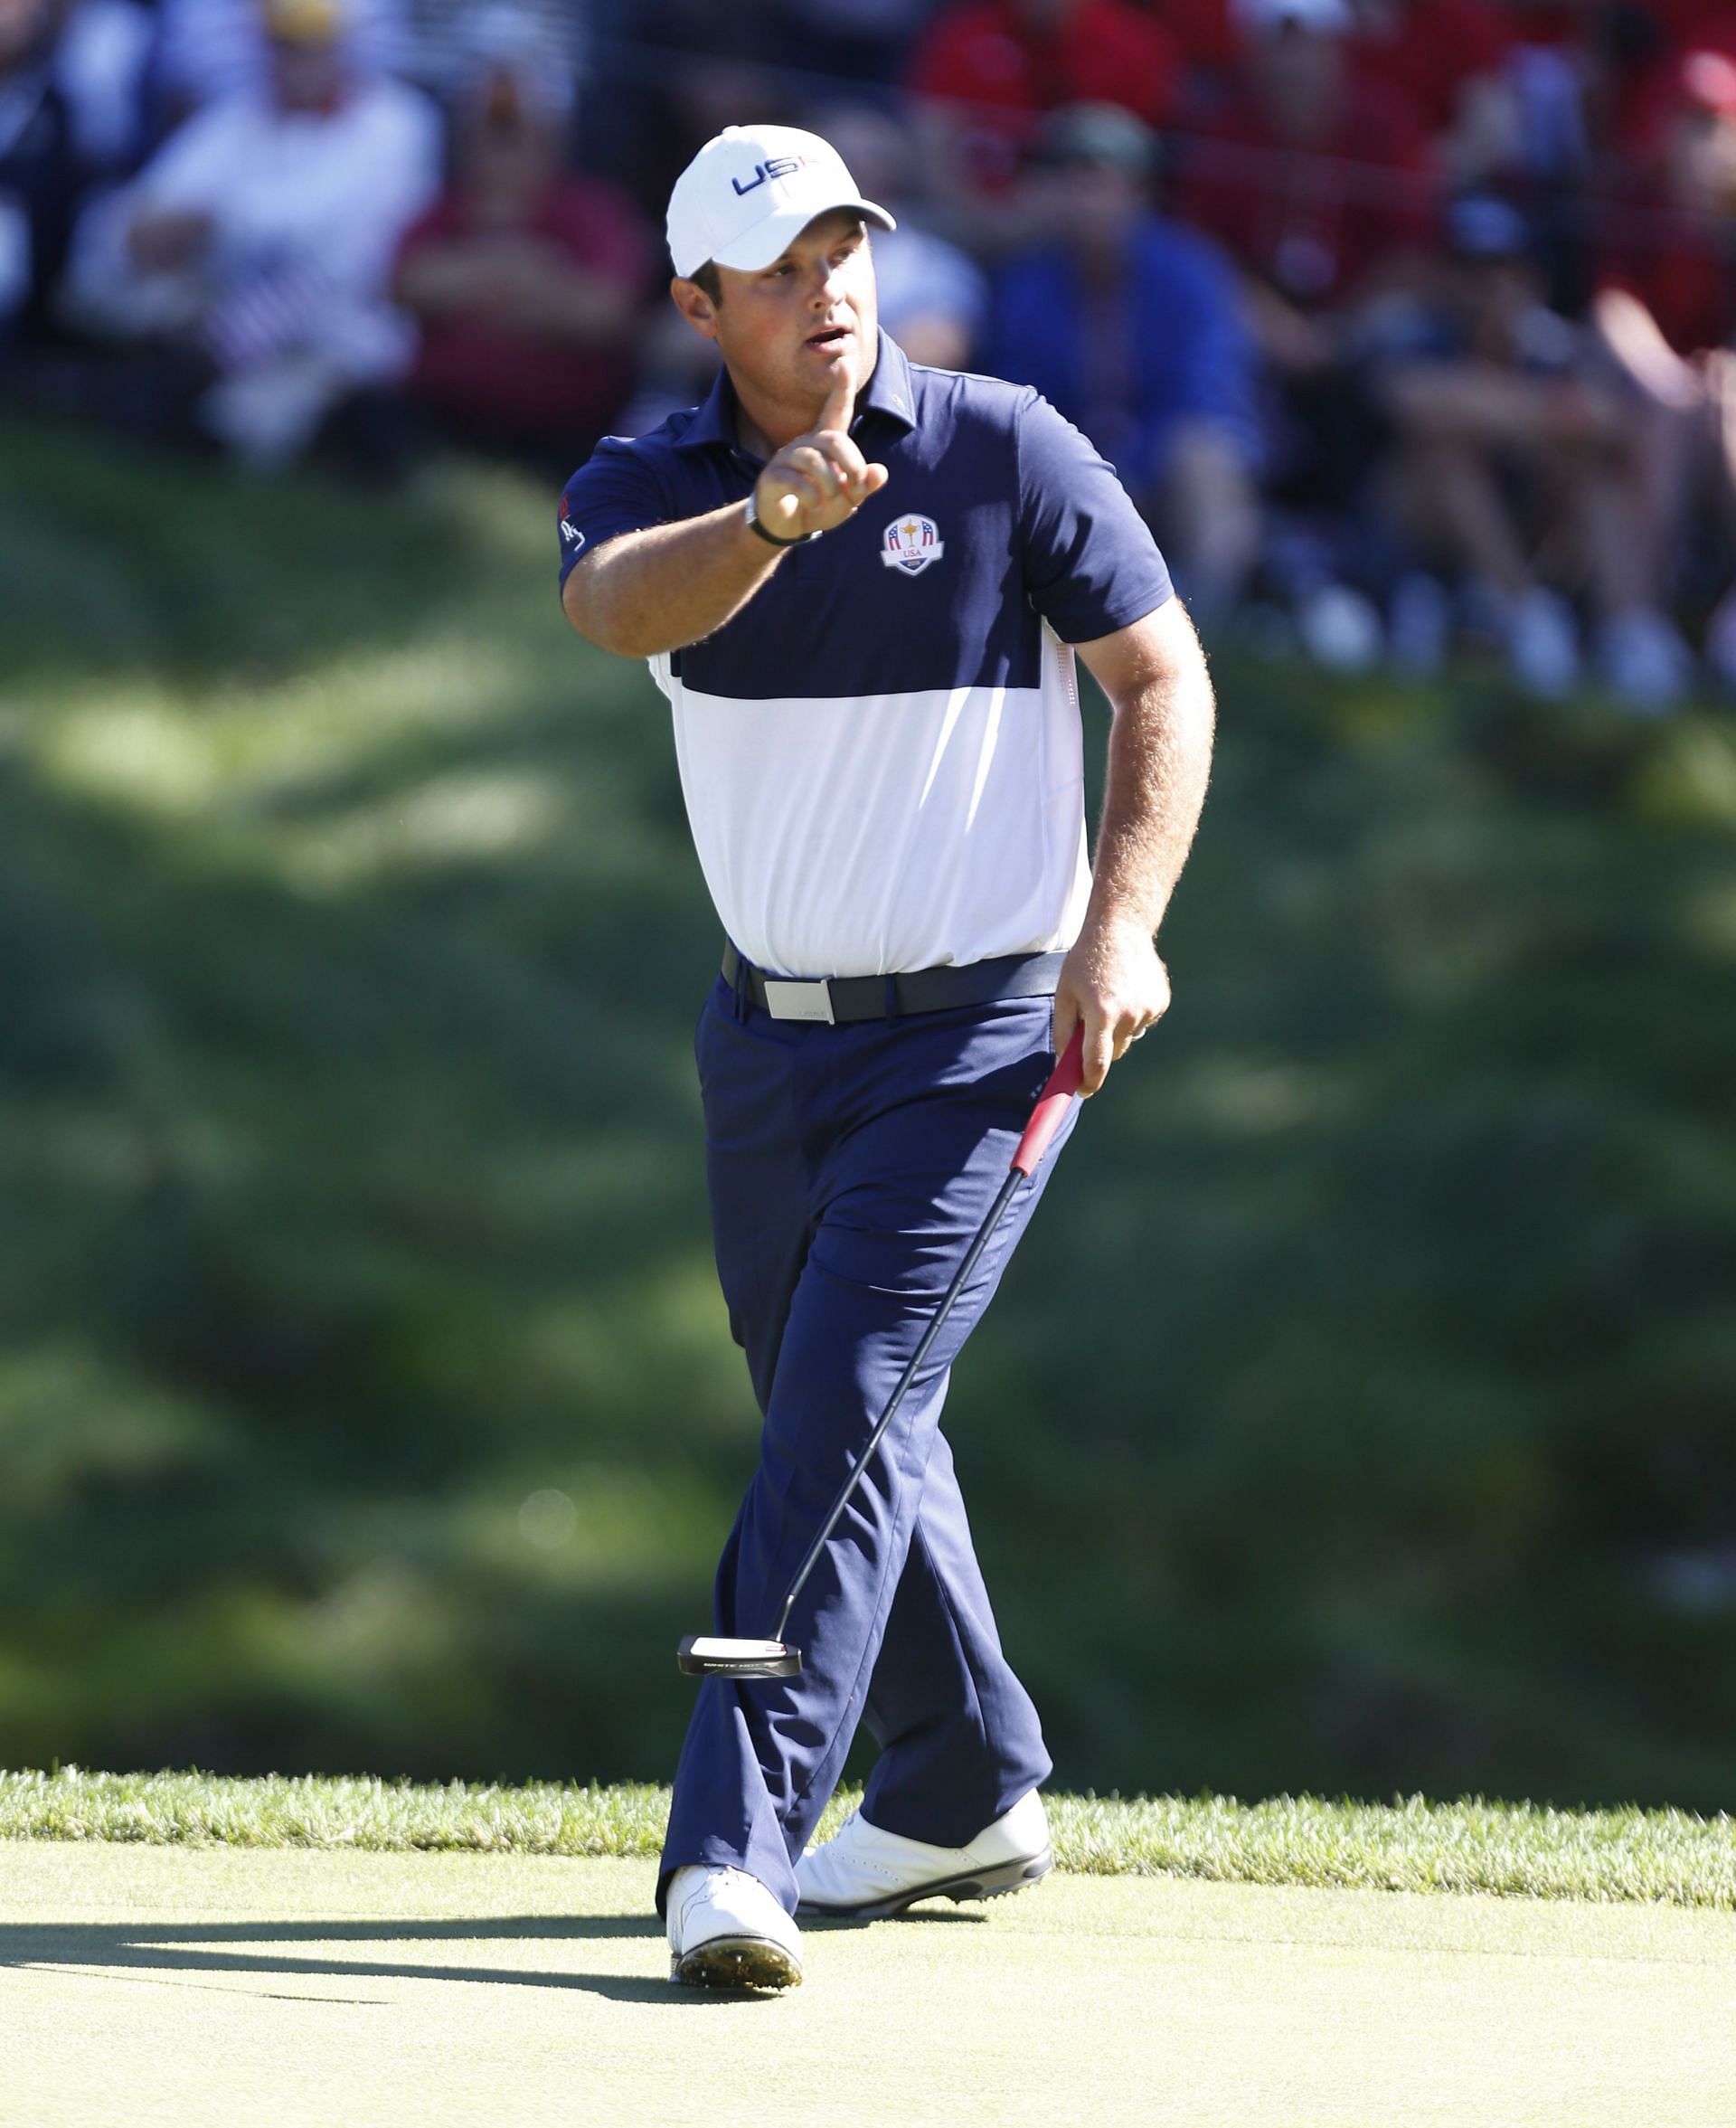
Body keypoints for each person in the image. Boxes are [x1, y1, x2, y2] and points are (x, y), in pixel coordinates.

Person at [558, 121, 1213, 1991]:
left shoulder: (1003, 444)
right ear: (701, 305)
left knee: (836, 1416)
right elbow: (614, 612)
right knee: (836, 1420)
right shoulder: (648, 482)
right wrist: (774, 518)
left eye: (845, 247)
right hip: (767, 1046)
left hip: (990, 1036)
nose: (827, 286)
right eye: (777, 268)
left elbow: (1161, 674)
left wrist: (1124, 924)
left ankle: (731, 1847)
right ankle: (961, 1780)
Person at [63, 0, 439, 467]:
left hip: (326, 335)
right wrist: (146, 230)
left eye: (308, 45)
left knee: (245, 423)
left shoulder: (395, 126)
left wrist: (212, 225)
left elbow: (325, 248)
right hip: (219, 303)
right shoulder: (241, 112)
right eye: (282, 43)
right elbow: (152, 202)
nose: (291, 57)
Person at [990, 101, 1262, 624]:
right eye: (1076, 185)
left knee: (1207, 456)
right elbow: (1016, 403)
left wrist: (1133, 460)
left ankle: (1213, 623)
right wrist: (1094, 465)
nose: (1091, 202)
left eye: (1107, 184)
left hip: (1165, 454)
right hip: (1075, 461)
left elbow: (1209, 391)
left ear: (1139, 193)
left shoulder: (1191, 274)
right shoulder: (1025, 285)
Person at [392, 8, 652, 472]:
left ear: (551, 137)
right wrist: (527, 271)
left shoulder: (592, 210)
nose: (499, 149)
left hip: (559, 430)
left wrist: (472, 282)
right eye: (489, 131)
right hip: (438, 416)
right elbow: (407, 283)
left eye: (513, 132)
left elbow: (604, 314)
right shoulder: (444, 206)